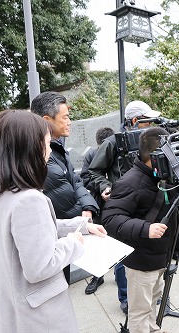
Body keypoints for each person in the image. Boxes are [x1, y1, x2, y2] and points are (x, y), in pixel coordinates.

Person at [0, 110, 106, 333]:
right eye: (46, 144)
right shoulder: (29, 200)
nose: (49, 151)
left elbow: (29, 233)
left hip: (10, 302)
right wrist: (74, 242)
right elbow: (40, 267)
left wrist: (81, 226)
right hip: (40, 317)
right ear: (28, 149)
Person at [101, 127, 178, 333]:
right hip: (141, 261)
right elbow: (110, 220)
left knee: (152, 304)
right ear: (155, 157)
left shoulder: (162, 177)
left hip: (158, 257)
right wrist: (146, 228)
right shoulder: (130, 182)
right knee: (140, 312)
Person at [88, 100, 161, 313]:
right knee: (122, 254)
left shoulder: (151, 140)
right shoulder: (112, 142)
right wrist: (105, 186)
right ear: (136, 121)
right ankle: (125, 298)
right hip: (122, 205)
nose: (152, 124)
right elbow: (94, 171)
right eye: (148, 121)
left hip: (147, 205)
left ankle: (148, 300)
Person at [31, 91, 99, 283]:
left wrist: (87, 207)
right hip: (56, 239)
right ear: (47, 120)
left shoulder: (58, 148)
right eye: (66, 117)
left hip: (68, 230)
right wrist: (81, 223)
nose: (69, 122)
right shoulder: (38, 154)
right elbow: (59, 197)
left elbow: (75, 180)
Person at [80, 127, 115, 295]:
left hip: (118, 202)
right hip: (99, 202)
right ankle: (97, 275)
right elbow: (86, 178)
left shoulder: (119, 151)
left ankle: (120, 273)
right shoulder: (91, 156)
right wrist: (101, 187)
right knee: (99, 239)